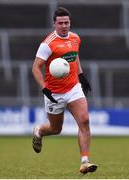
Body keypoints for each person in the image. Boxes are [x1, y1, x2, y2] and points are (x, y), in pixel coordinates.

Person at [32, 6, 98, 174]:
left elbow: (74, 56)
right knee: (56, 129)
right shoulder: (47, 44)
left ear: (70, 23)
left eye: (66, 22)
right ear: (54, 23)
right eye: (60, 23)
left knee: (84, 120)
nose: (64, 26)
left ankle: (85, 161)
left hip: (73, 87)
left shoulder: (75, 38)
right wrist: (44, 89)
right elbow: (35, 68)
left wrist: (81, 75)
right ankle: (39, 131)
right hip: (53, 93)